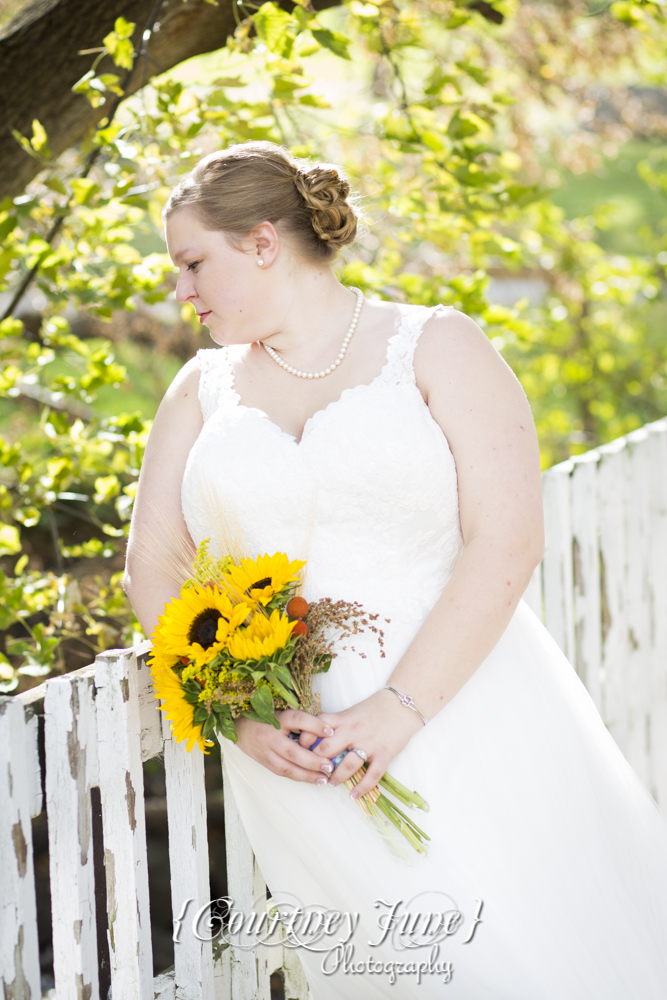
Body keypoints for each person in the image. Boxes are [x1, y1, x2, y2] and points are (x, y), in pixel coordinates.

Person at [124, 140, 667, 998]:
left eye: (192, 263)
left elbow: (507, 539)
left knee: (511, 964)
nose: (178, 292)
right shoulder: (200, 390)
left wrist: (396, 710)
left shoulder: (434, 346)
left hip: (464, 712)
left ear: (263, 242)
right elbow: (153, 566)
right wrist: (240, 716)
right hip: (300, 759)